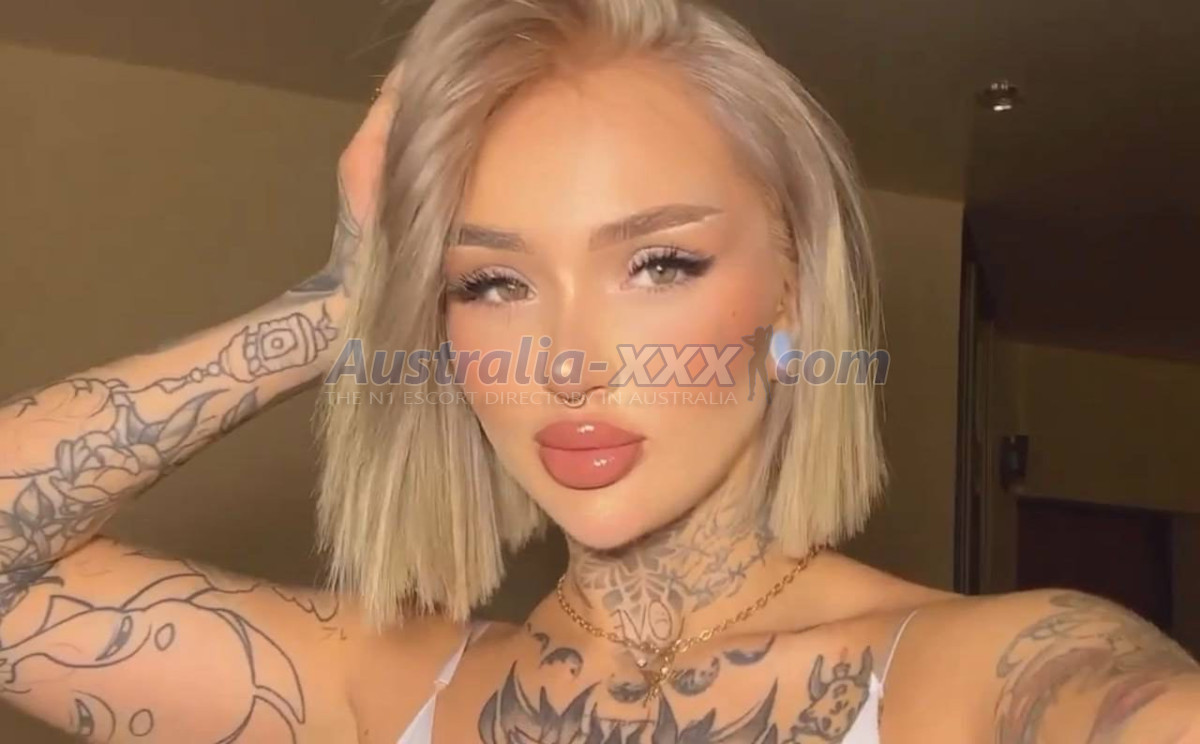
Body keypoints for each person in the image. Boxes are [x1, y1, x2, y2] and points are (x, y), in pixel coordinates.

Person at [2, 0, 1198, 742]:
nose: (567, 363)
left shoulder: (988, 677)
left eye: (659, 263)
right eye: (491, 282)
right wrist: (340, 307)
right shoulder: (377, 687)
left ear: (791, 288)